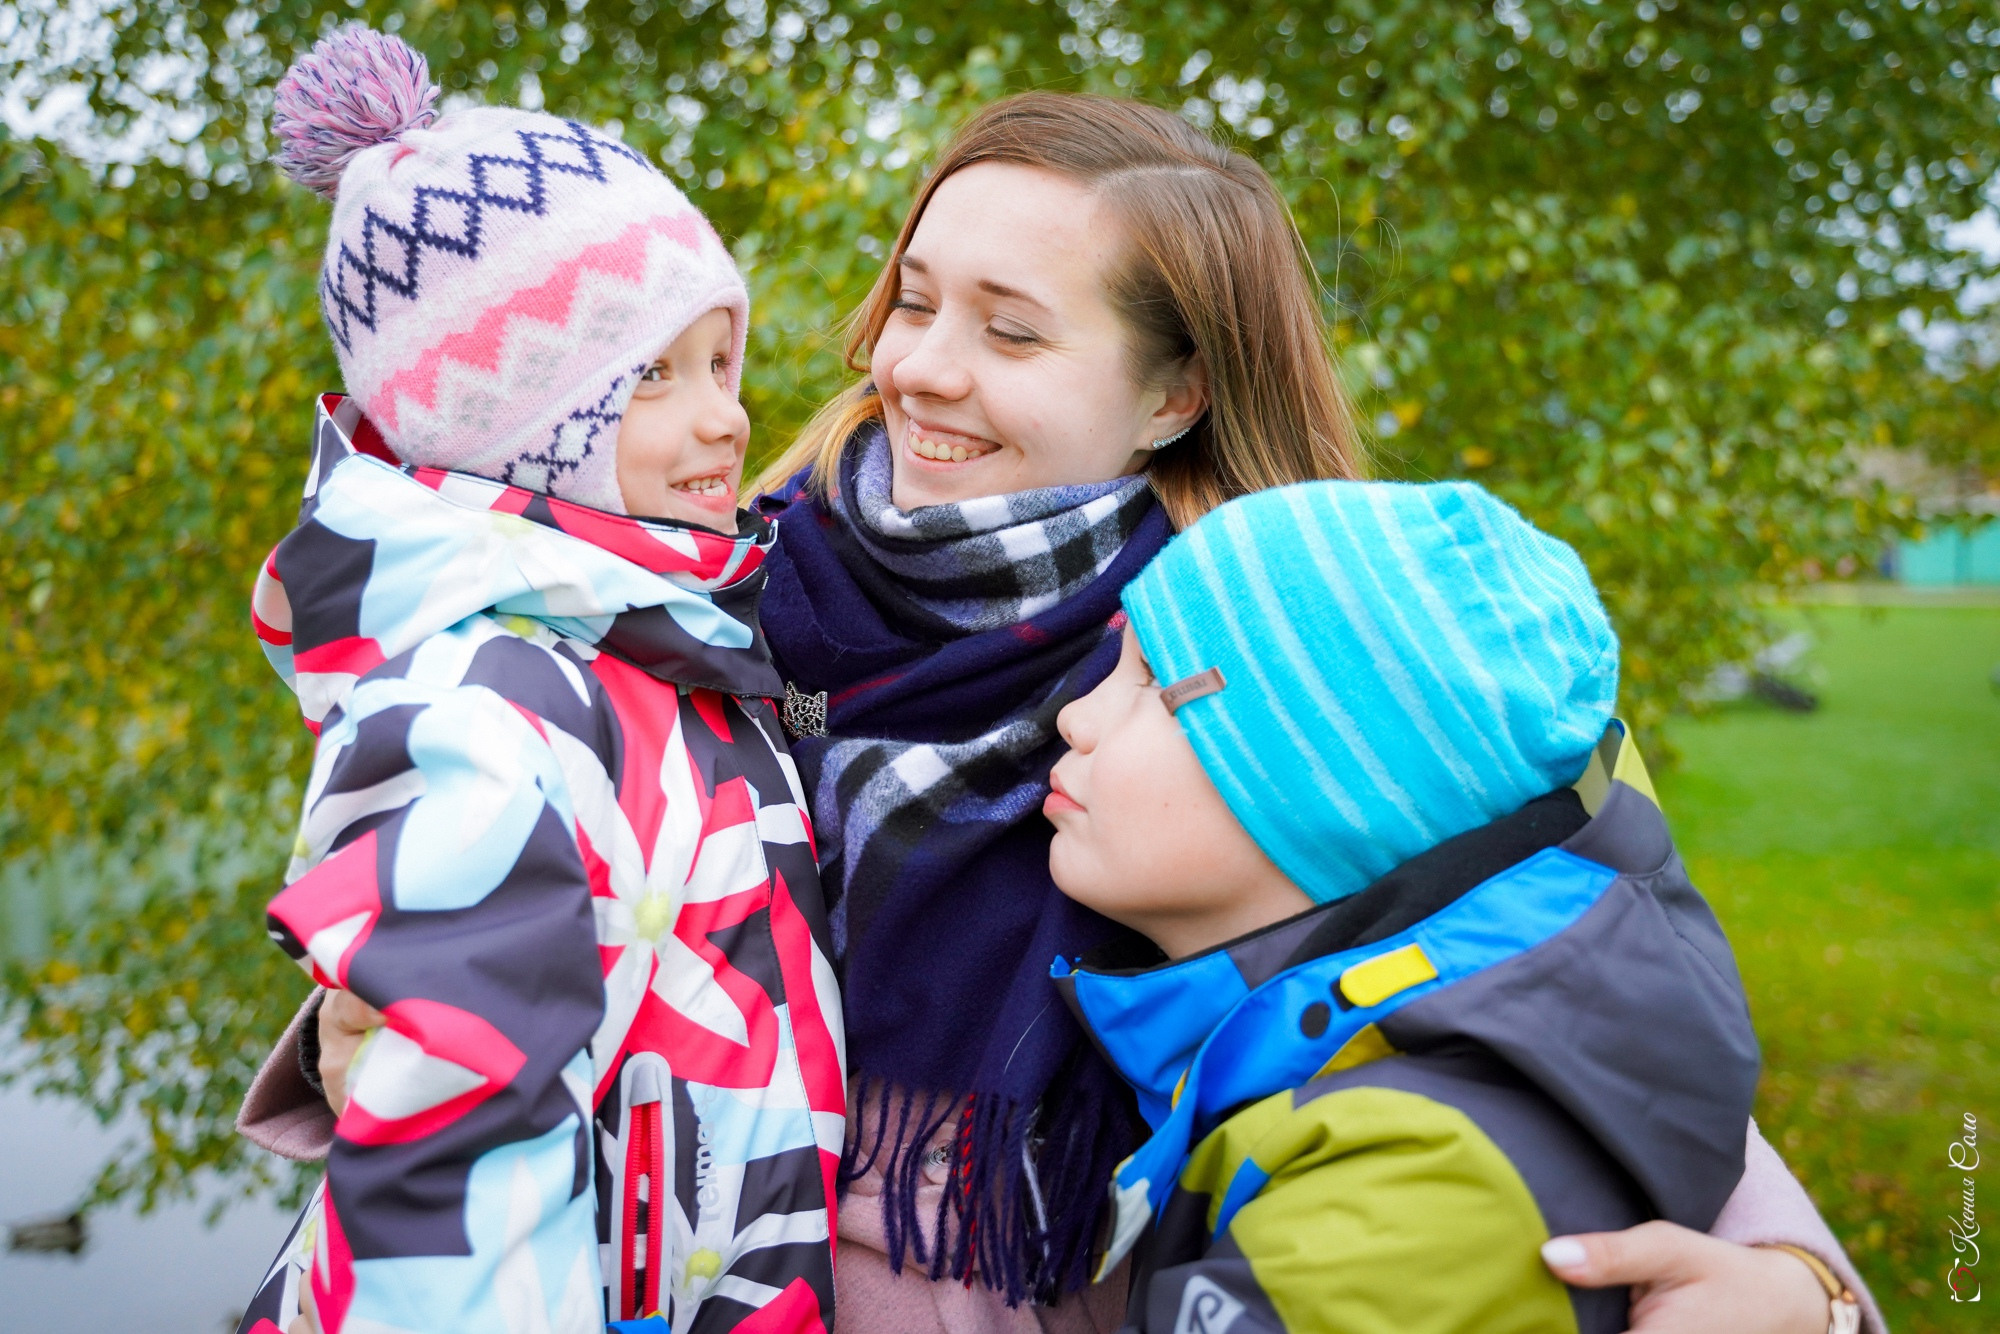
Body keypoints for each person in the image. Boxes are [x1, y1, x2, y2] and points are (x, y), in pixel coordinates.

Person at [244, 89, 1881, 1334]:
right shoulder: (721, 599)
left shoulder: (1326, 664)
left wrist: (1803, 1286)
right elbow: (522, 880)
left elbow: (1578, 1002)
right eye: (914, 296)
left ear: (1174, 390)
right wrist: (373, 1018)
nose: (915, 367)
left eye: (1009, 329)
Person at [229, 27, 841, 1334]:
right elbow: (442, 1149)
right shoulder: (485, 705)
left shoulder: (665, 645)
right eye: (656, 377)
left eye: (724, 361)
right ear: (526, 427)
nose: (728, 415)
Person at [1043, 479, 1876, 1334]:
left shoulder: (1400, 1204)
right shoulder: (1410, 1062)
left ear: (1332, 797)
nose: (1076, 717)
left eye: (1150, 680)